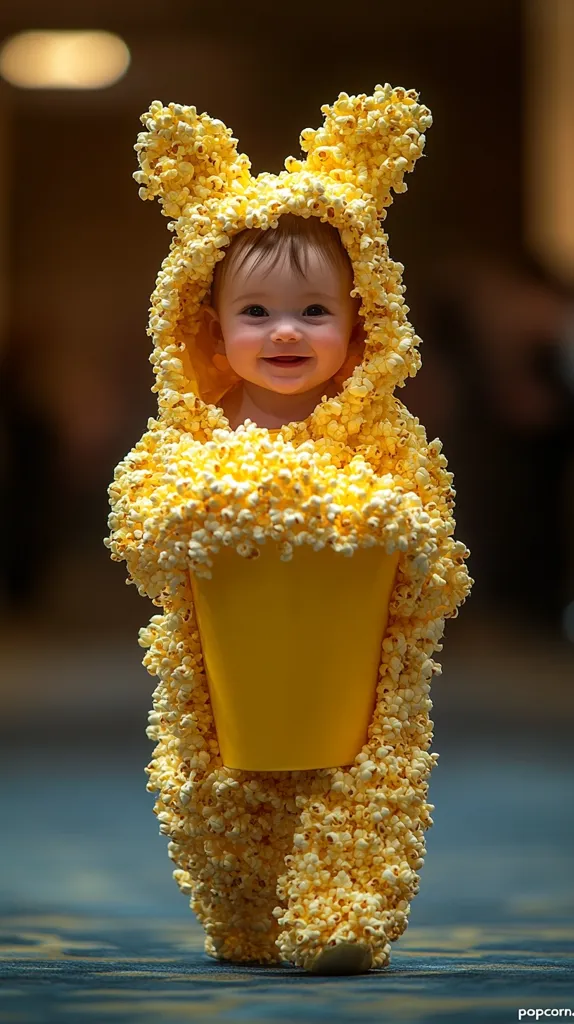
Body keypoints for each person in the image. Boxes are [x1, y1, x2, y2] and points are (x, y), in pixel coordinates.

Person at [106, 87, 472, 975]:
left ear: (362, 324)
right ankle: (246, 909)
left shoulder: (382, 437)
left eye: (315, 312)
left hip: (353, 661)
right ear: (207, 323)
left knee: (362, 776)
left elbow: (430, 534)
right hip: (226, 661)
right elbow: (143, 527)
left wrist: (408, 539)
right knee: (221, 791)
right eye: (255, 313)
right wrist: (181, 517)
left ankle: (344, 906)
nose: (284, 333)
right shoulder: (194, 435)